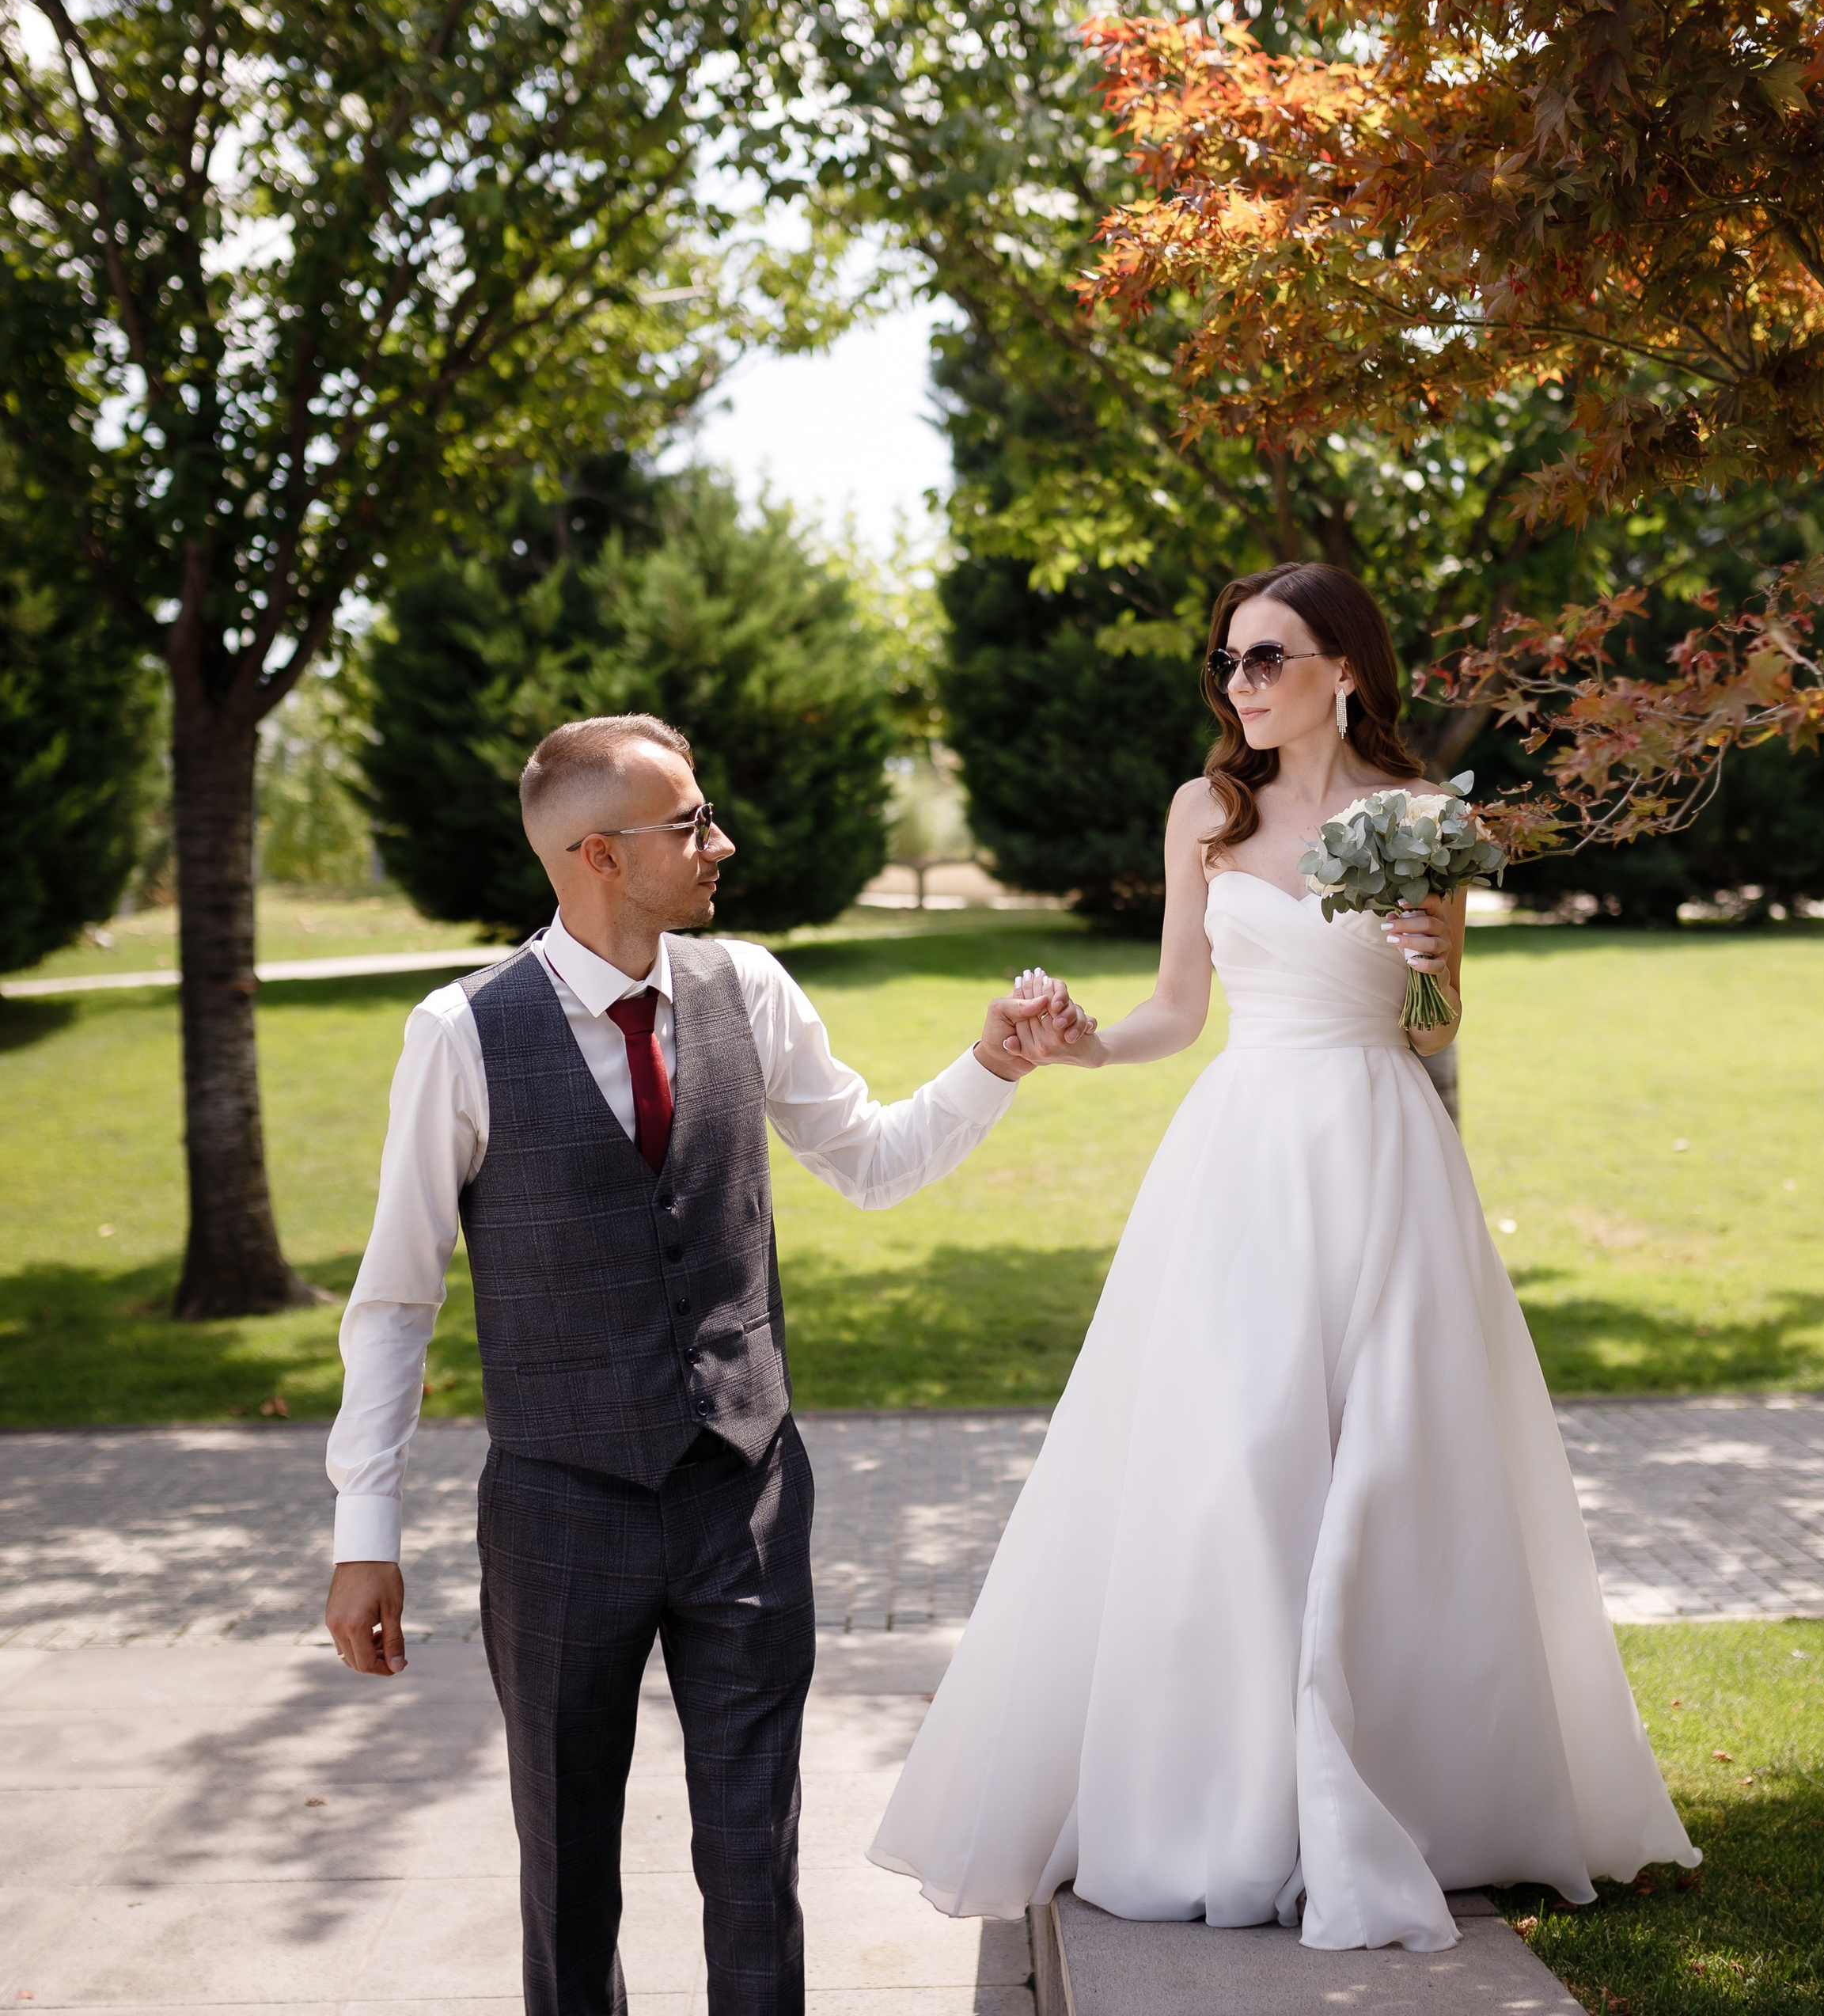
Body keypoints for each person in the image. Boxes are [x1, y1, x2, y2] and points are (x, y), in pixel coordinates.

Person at [870, 563, 1700, 1953]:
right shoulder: (1208, 810)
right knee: (1244, 1459)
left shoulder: (1427, 817)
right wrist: (1083, 1046)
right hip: (1243, 1159)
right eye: (1229, 663)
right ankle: (1229, 1789)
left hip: (1382, 1151)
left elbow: (1432, 1031)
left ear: (1345, 670)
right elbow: (1176, 1012)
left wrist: (1434, 956)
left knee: (1395, 1464)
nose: (1241, 685)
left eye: (1267, 658)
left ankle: (1414, 1782)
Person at [323, 712, 1092, 2016]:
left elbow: (873, 1159)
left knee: (755, 1853)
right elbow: (398, 1296)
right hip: (559, 1505)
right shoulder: (458, 1034)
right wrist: (365, 1528)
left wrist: (991, 1065)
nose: (718, 842)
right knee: (566, 1864)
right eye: (688, 824)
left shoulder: (753, 990)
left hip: (745, 1493)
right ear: (596, 857)